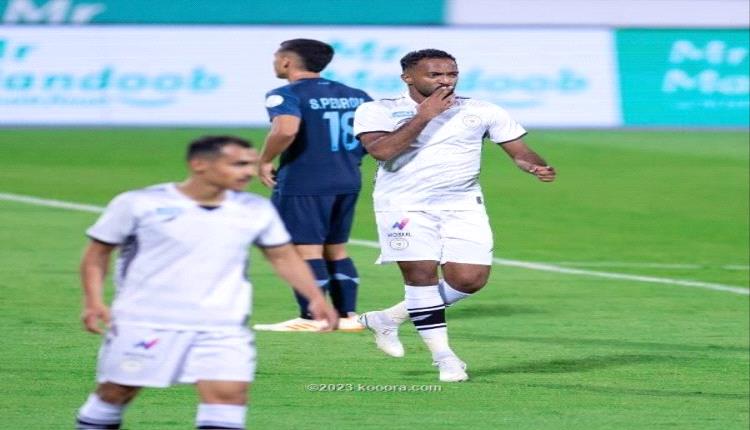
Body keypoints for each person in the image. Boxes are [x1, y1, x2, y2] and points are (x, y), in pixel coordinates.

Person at [75, 135, 339, 430]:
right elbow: (97, 254)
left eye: (251, 164)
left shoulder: (255, 209)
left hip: (223, 324)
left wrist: (316, 298)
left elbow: (282, 256)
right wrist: (93, 301)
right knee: (116, 392)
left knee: (229, 396)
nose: (249, 172)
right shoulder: (140, 203)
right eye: (238, 164)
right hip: (146, 320)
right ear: (199, 164)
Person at [352, 49, 556, 382]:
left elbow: (519, 151)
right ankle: (445, 358)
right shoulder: (377, 110)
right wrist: (424, 115)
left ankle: (387, 319)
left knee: (469, 280)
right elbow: (382, 151)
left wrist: (534, 165)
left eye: (451, 74)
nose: (446, 81)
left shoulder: (482, 110)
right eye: (435, 75)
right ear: (408, 77)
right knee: (421, 277)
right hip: (403, 205)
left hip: (462, 204)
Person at [252, 39, 373, 332]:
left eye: (276, 57)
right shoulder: (356, 95)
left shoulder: (285, 94)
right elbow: (376, 134)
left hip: (304, 181)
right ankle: (347, 316)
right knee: (336, 249)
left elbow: (286, 129)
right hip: (347, 179)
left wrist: (264, 160)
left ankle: (313, 318)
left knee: (306, 251)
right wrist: (350, 158)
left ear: (286, 61)